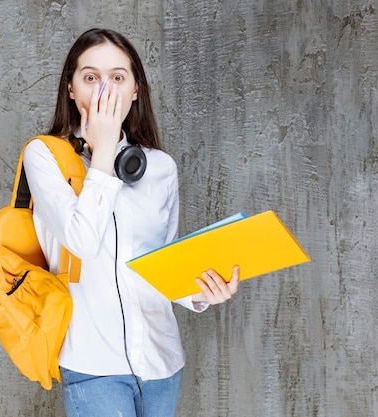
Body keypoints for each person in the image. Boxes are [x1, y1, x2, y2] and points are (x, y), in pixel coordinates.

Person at [22, 28, 239, 417]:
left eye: (118, 78)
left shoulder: (160, 167)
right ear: (70, 89)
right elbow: (82, 243)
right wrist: (103, 152)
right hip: (93, 368)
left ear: (135, 90)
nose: (105, 91)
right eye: (90, 78)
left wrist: (205, 291)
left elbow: (160, 266)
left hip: (161, 364)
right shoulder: (44, 157)